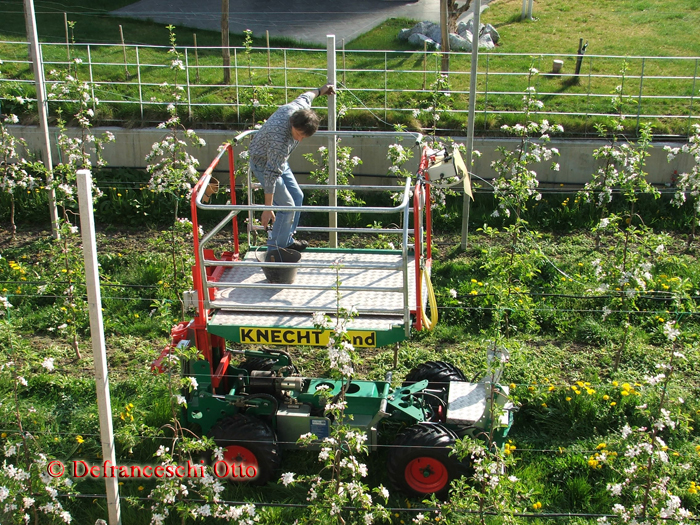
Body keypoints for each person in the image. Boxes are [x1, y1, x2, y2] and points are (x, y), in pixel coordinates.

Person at [248, 83, 336, 252]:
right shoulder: (280, 140)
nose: (300, 140)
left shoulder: (299, 108)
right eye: (299, 135)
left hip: (280, 162)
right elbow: (271, 174)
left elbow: (308, 95)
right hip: (263, 163)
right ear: (292, 124)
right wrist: (268, 208)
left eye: (304, 137)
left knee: (297, 196)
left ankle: (286, 240)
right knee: (287, 205)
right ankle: (275, 250)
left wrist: (322, 90)